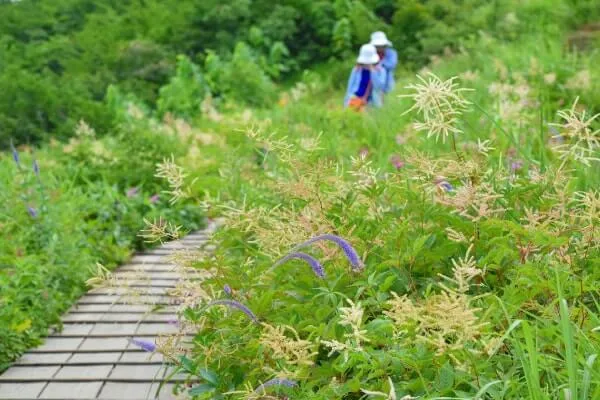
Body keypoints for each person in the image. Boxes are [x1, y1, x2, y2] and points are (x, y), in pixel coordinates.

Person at [344, 44, 386, 111]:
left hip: (371, 103)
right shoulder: (356, 70)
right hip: (355, 99)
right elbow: (350, 87)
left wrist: (373, 71)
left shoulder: (381, 71)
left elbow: (379, 86)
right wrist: (346, 104)